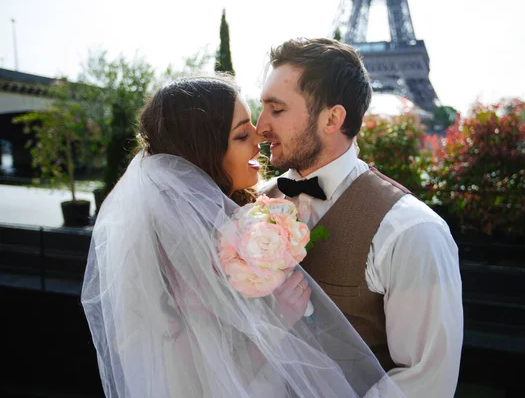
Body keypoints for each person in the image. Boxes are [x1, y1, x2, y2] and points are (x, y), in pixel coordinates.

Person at [81, 76, 404, 397]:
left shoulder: (238, 211)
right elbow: (194, 382)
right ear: (204, 154)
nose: (259, 134)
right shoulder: (174, 251)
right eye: (240, 134)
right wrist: (279, 318)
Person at [258, 38, 464, 397]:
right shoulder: (252, 205)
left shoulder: (413, 232)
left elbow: (425, 382)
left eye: (276, 109)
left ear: (332, 118)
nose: (260, 125)